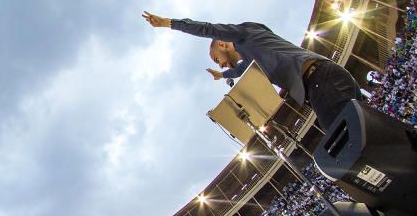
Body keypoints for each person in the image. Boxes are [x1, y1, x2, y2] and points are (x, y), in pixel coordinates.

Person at [141, 11, 361, 128]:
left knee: (351, 139)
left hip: (320, 80)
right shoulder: (251, 59)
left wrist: (169, 23)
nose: (220, 63)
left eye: (217, 59)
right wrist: (222, 75)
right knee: (366, 134)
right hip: (318, 86)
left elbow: (208, 28)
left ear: (223, 44)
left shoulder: (244, 35)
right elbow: (239, 71)